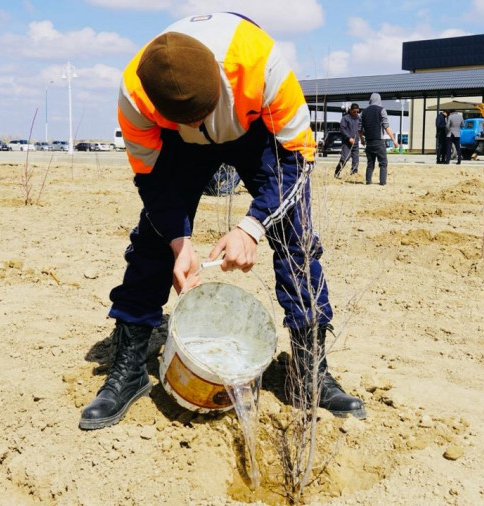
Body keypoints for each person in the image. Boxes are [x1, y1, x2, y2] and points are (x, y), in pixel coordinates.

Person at [79, 12, 365, 430]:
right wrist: (179, 242)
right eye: (186, 119)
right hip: (178, 149)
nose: (198, 126)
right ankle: (130, 365)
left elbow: (299, 159)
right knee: (152, 240)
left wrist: (251, 227)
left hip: (255, 130)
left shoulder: (260, 64)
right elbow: (152, 180)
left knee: (295, 235)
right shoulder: (135, 95)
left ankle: (309, 370)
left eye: (202, 114)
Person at [359, 93, 399, 185]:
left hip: (369, 142)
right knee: (383, 163)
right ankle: (382, 182)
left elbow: (359, 129)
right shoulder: (381, 110)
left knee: (370, 163)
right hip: (379, 141)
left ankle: (368, 181)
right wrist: (393, 140)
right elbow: (386, 127)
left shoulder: (363, 112)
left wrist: (362, 140)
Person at [334, 103, 362, 179]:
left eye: (357, 111)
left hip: (355, 142)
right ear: (350, 110)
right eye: (354, 111)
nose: (356, 113)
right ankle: (337, 172)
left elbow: (360, 130)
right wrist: (349, 138)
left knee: (356, 159)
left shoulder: (359, 118)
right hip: (347, 142)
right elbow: (342, 129)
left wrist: (362, 139)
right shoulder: (345, 118)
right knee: (345, 158)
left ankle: (354, 173)